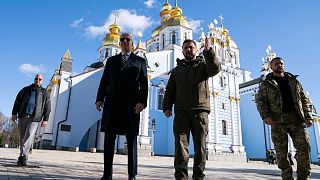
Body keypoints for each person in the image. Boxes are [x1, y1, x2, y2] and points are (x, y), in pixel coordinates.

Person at [162, 38, 221, 180]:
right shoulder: (176, 71)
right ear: (182, 51)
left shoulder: (203, 66)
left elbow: (215, 68)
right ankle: (181, 177)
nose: (189, 49)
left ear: (196, 50)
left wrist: (208, 52)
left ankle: (198, 177)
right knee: (181, 148)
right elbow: (170, 90)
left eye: (191, 47)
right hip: (181, 112)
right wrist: (167, 107)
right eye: (186, 48)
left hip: (200, 111)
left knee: (200, 148)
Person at [96, 32, 148, 180]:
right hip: (112, 105)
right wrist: (99, 99)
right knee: (109, 140)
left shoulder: (140, 61)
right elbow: (104, 81)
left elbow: (144, 85)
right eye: (122, 40)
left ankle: (132, 175)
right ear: (119, 43)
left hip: (131, 107)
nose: (125, 42)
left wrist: (141, 102)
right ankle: (107, 175)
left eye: (128, 40)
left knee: (131, 141)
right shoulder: (111, 61)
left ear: (132, 43)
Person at [255, 57, 313, 180]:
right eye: (276, 64)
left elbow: (304, 100)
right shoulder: (266, 83)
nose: (279, 65)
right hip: (277, 121)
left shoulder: (294, 81)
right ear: (271, 67)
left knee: (304, 147)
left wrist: (308, 117)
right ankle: (287, 177)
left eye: (281, 63)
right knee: (281, 153)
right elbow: (260, 101)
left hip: (296, 119)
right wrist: (265, 116)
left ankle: (303, 176)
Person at [11, 74, 51, 166]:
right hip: (22, 115)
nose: (38, 80)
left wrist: (46, 119)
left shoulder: (45, 93)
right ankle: (22, 157)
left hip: (35, 118)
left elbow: (48, 106)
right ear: (34, 79)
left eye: (40, 79)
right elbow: (17, 101)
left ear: (42, 81)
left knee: (29, 136)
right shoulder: (25, 90)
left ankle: (24, 156)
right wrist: (14, 114)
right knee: (22, 137)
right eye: (36, 78)